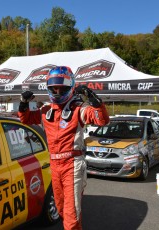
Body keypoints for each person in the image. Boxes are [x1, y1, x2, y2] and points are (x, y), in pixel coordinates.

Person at [18, 66, 110, 230]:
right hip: (54, 165)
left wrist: (95, 100)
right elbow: (25, 120)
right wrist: (23, 103)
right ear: (49, 87)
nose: (58, 92)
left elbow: (102, 120)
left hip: (72, 164)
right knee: (61, 209)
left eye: (62, 88)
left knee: (70, 214)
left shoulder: (79, 108)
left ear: (70, 86)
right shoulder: (46, 110)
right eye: (54, 88)